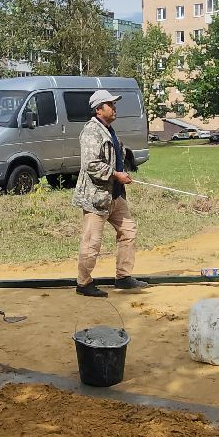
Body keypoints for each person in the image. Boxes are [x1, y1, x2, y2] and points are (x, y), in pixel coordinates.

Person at [73, 88, 148, 297]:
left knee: (128, 232)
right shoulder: (91, 131)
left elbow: (117, 156)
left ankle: (123, 278)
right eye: (111, 105)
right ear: (99, 109)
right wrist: (116, 174)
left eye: (114, 104)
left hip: (115, 196)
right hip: (96, 198)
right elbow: (90, 164)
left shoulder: (109, 130)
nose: (115, 108)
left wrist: (122, 173)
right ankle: (84, 283)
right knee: (92, 241)